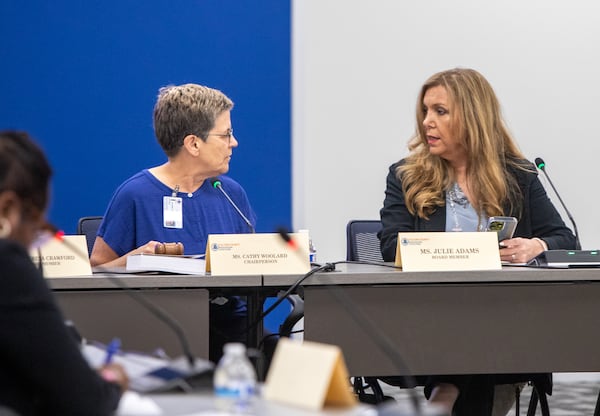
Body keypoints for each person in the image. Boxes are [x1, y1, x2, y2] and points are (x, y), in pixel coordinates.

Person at [379, 68, 577, 415]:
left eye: (440, 111)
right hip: (430, 310)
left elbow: (564, 238)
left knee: (484, 320)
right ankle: (447, 392)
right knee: (470, 322)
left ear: (473, 117)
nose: (427, 121)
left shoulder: (519, 174)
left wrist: (535, 246)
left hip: (504, 311)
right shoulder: (405, 175)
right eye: (425, 111)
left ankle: (444, 394)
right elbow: (390, 245)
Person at [90, 84, 259, 364]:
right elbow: (94, 271)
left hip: (233, 325)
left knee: (286, 361)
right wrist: (133, 260)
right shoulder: (135, 194)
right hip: (162, 326)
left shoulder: (229, 192)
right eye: (226, 134)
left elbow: (254, 266)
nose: (234, 142)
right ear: (193, 143)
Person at [0, 130, 128, 415]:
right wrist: (112, 380)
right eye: (35, 222)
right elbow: (86, 401)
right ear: (8, 209)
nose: (35, 239)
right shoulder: (6, 265)